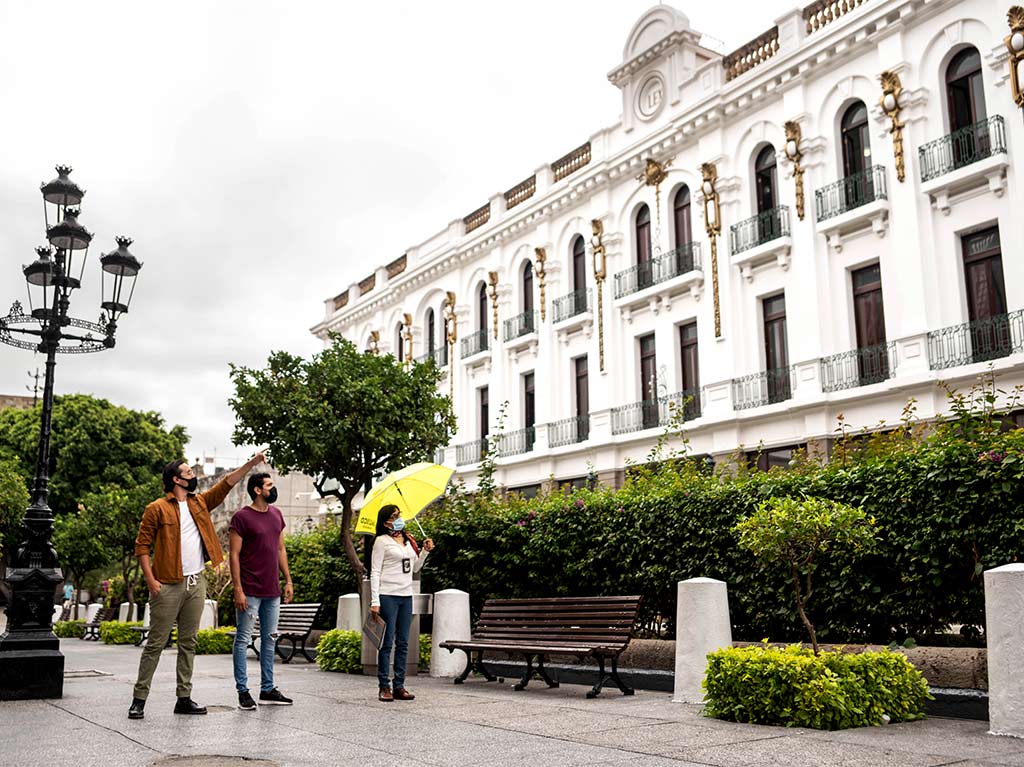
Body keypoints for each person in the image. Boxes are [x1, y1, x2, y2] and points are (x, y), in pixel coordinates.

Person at [127, 451, 266, 721]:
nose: (194, 477)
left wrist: (250, 464)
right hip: (167, 584)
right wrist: (151, 581)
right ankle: (139, 699)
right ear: (176, 480)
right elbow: (142, 546)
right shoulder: (156, 508)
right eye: (189, 473)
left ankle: (184, 698)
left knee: (188, 643)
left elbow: (226, 484)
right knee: (155, 644)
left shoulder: (200, 503)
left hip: (196, 582)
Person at [229, 472, 294, 710]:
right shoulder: (241, 518)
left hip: (272, 590)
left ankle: (267, 689)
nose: (272, 489)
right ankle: (243, 691)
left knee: (270, 640)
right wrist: (238, 588)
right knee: (243, 639)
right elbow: (233, 555)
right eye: (269, 485)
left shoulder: (276, 515)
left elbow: (280, 550)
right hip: (249, 589)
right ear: (257, 490)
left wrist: (288, 580)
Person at [368, 504, 433, 702]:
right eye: (394, 516)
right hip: (388, 596)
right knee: (387, 643)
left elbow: (414, 569)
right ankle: (384, 686)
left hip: (406, 596)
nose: (398, 518)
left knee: (403, 642)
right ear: (385, 521)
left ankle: (399, 685)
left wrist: (424, 551)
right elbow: (375, 572)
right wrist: (375, 600)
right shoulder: (381, 541)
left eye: (399, 515)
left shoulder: (409, 540)